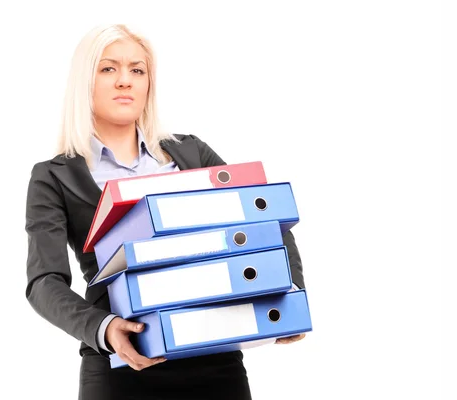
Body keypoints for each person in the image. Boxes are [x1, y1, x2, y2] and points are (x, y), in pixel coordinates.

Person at [24, 24, 306, 400]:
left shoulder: (191, 154)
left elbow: (264, 214)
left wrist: (290, 290)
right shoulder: (54, 176)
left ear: (148, 84)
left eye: (137, 70)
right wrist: (103, 328)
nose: (125, 81)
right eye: (108, 69)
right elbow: (44, 282)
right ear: (84, 81)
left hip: (215, 360)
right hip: (121, 365)